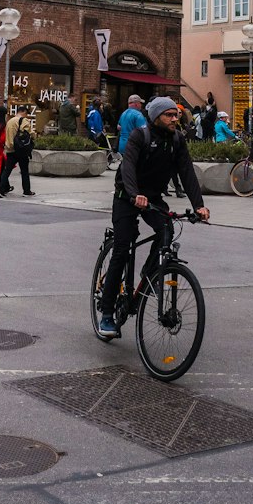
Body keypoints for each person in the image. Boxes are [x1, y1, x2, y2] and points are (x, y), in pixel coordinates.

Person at [97, 96, 210, 338]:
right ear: (156, 116)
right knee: (122, 248)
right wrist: (133, 193)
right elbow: (127, 166)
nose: (174, 119)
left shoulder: (177, 140)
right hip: (126, 196)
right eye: (169, 115)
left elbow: (187, 172)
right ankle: (107, 314)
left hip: (153, 198)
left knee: (166, 229)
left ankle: (150, 274)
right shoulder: (141, 136)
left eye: (176, 115)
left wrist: (199, 205)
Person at [0, 104, 36, 198]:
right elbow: (29, 133)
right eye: (26, 114)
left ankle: (1, 190)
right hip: (21, 149)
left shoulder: (9, 121)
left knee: (7, 170)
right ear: (24, 112)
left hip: (10, 149)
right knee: (24, 171)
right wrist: (34, 135)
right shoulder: (23, 120)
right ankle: (26, 191)